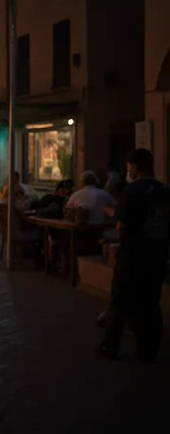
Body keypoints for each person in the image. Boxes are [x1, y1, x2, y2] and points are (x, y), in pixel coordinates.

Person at [98, 149, 170, 362]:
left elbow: (122, 226)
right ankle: (148, 351)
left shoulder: (132, 191)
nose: (128, 170)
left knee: (120, 302)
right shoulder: (165, 191)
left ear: (136, 167)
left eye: (129, 166)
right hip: (157, 255)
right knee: (150, 303)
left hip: (132, 255)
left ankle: (110, 347)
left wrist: (111, 212)